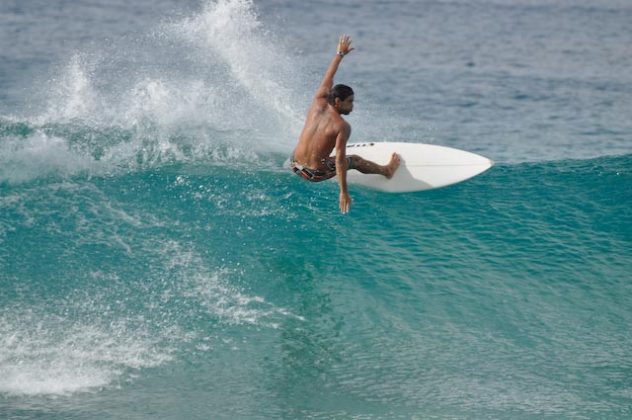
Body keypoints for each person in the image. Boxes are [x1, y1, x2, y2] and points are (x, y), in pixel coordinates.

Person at [290, 34, 400, 214]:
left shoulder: (319, 100)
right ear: (338, 101)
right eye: (350, 102)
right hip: (313, 175)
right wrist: (343, 192)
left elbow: (329, 76)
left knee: (309, 145)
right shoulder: (341, 126)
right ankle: (387, 171)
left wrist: (340, 54)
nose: (352, 106)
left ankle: (315, 158)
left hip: (294, 164)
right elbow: (341, 161)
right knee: (354, 160)